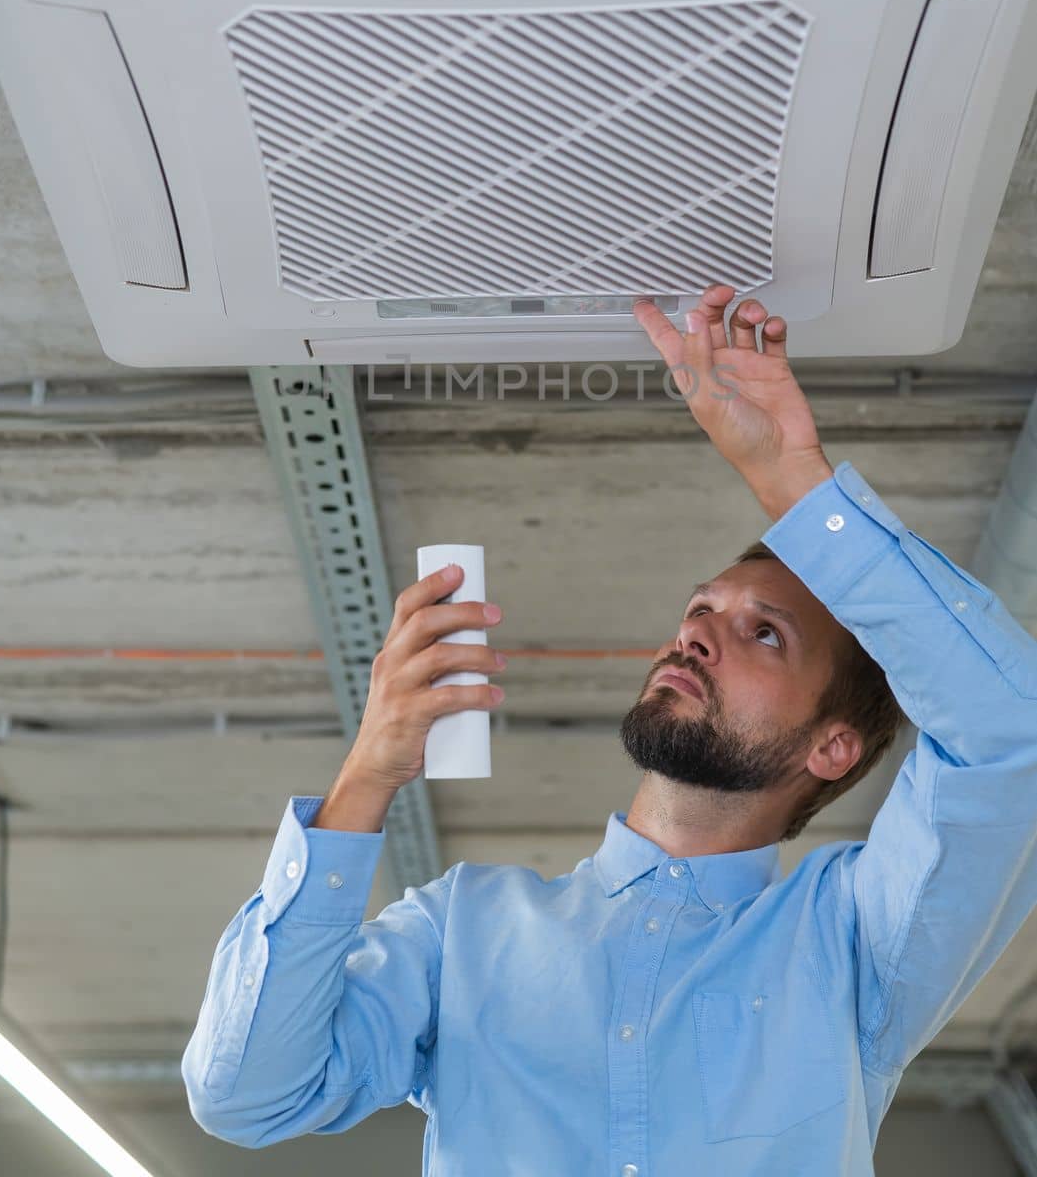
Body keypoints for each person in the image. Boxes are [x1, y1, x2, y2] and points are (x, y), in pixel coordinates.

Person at [181, 283, 1037, 1173]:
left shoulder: (856, 942)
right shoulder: (460, 931)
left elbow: (1007, 727)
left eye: (763, 634)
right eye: (700, 609)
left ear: (831, 746)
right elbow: (248, 1095)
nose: (696, 632)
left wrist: (793, 484)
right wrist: (366, 776)